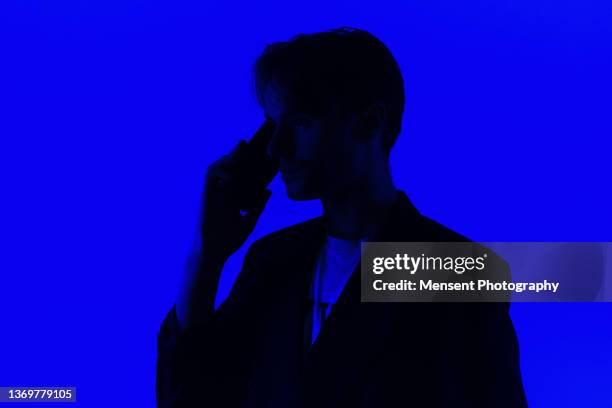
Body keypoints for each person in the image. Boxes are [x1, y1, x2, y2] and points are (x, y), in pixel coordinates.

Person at [156, 27, 527, 407]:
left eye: (300, 122)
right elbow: (191, 399)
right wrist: (206, 256)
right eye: (272, 124)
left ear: (368, 123)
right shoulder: (272, 263)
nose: (275, 146)